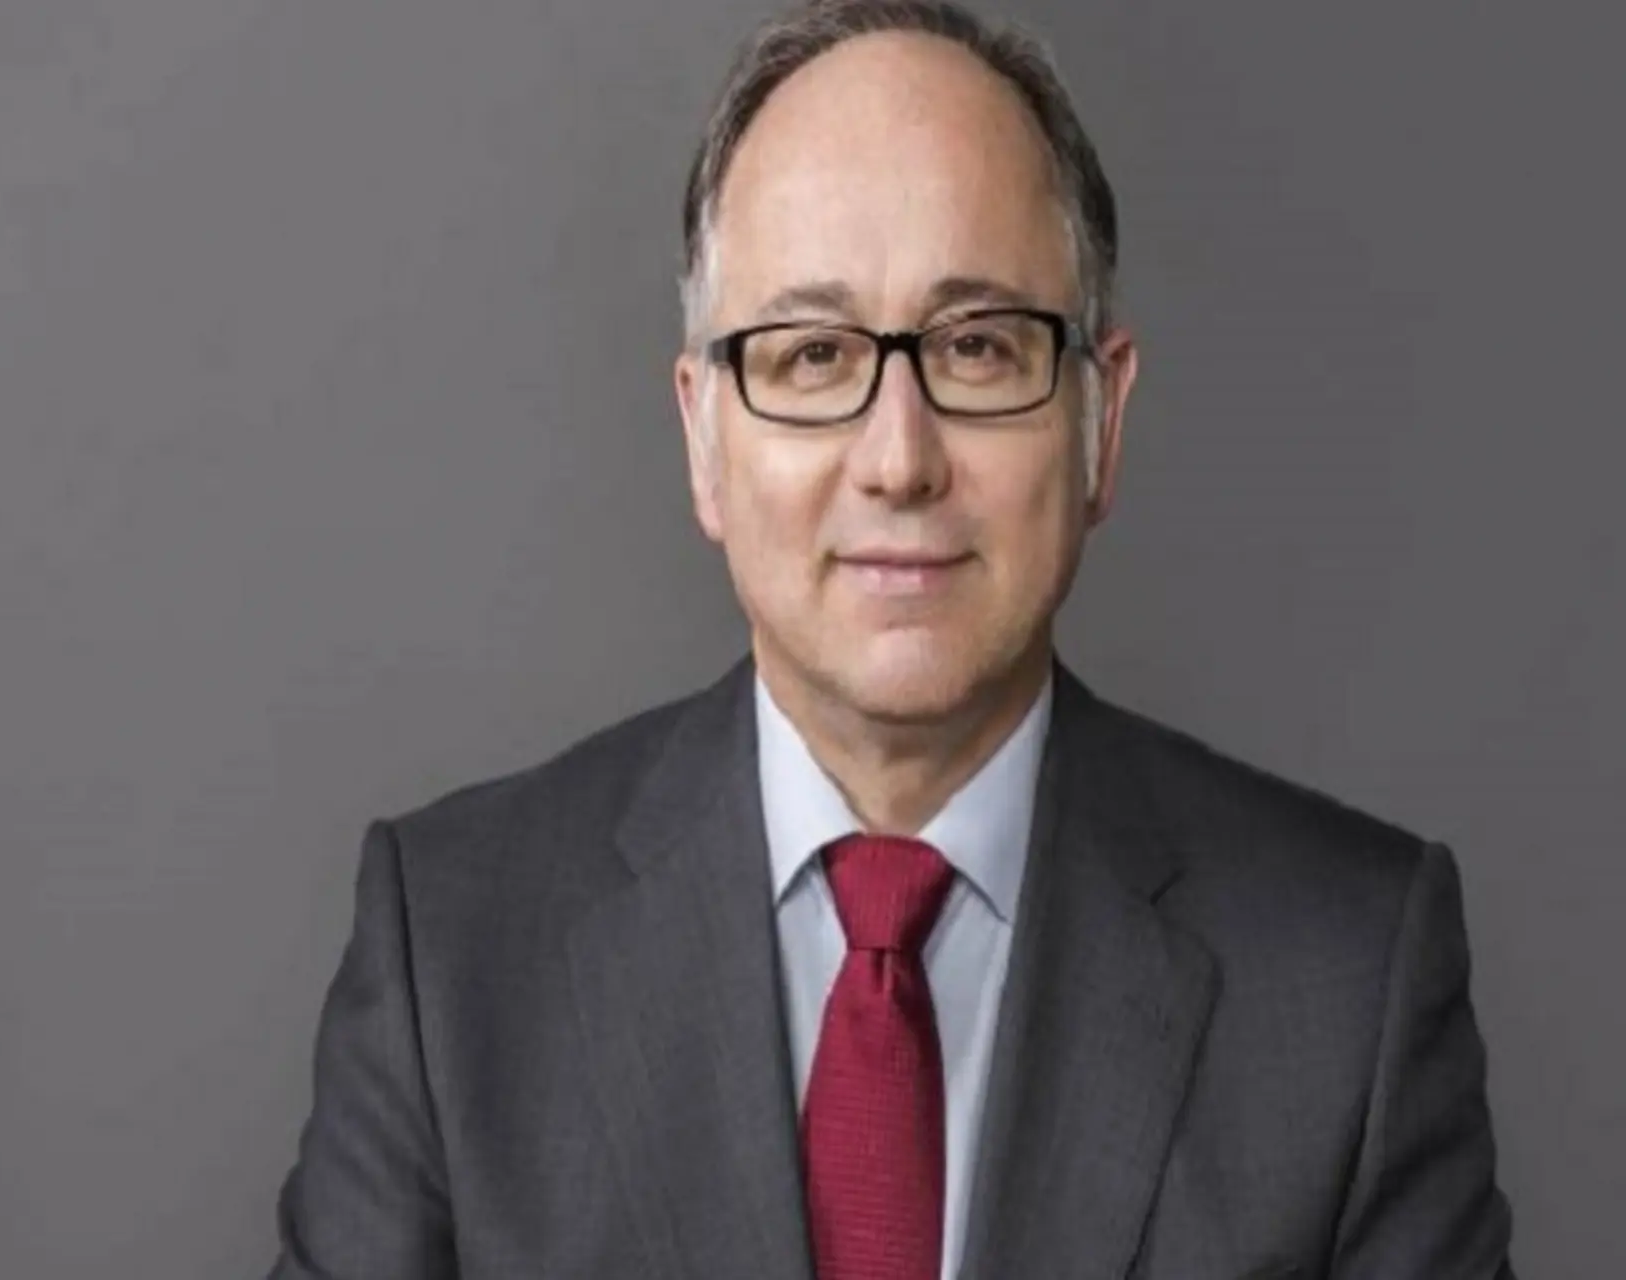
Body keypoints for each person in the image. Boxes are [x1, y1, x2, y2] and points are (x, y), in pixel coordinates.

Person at [267, 2, 1517, 1277]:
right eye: (812, 355)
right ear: (704, 438)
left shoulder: (1348, 977)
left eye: (978, 347)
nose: (899, 458)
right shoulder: (455, 957)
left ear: (1100, 421)